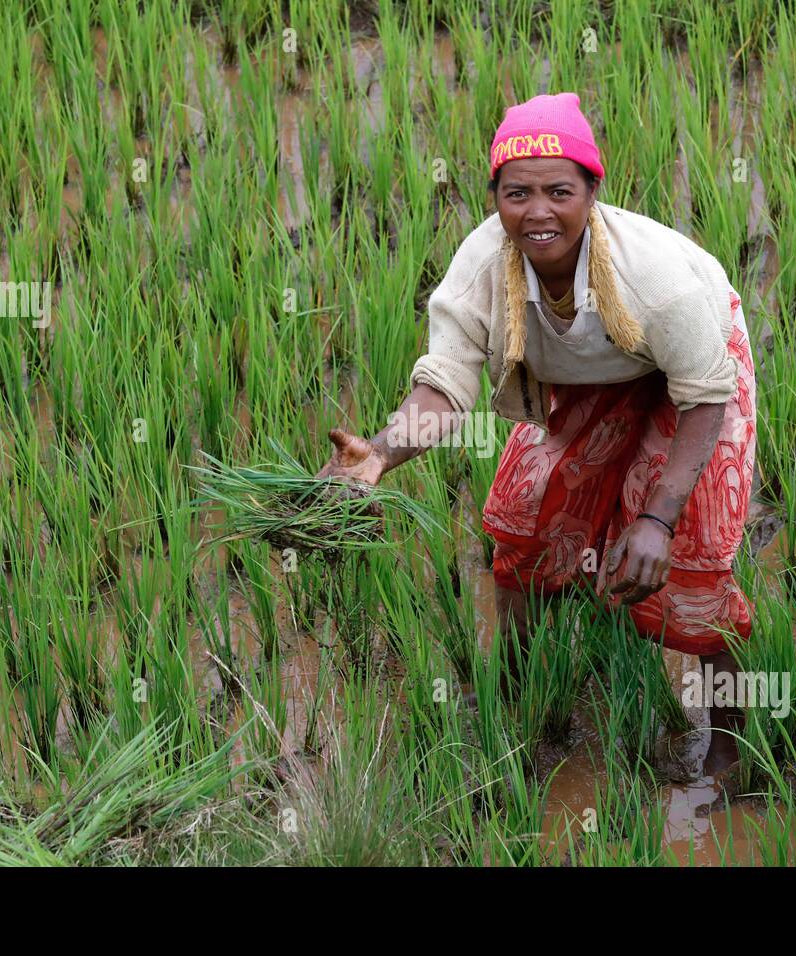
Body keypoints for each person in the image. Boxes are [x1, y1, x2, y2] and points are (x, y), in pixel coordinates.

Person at [316, 92, 757, 779]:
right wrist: (381, 453)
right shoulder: (485, 267)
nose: (538, 211)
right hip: (592, 376)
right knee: (523, 521)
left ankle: (732, 748)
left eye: (559, 191)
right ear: (494, 196)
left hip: (698, 380)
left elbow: (704, 395)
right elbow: (445, 383)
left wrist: (657, 519)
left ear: (592, 192)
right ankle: (525, 701)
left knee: (694, 563)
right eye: (517, 193)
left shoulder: (658, 280)